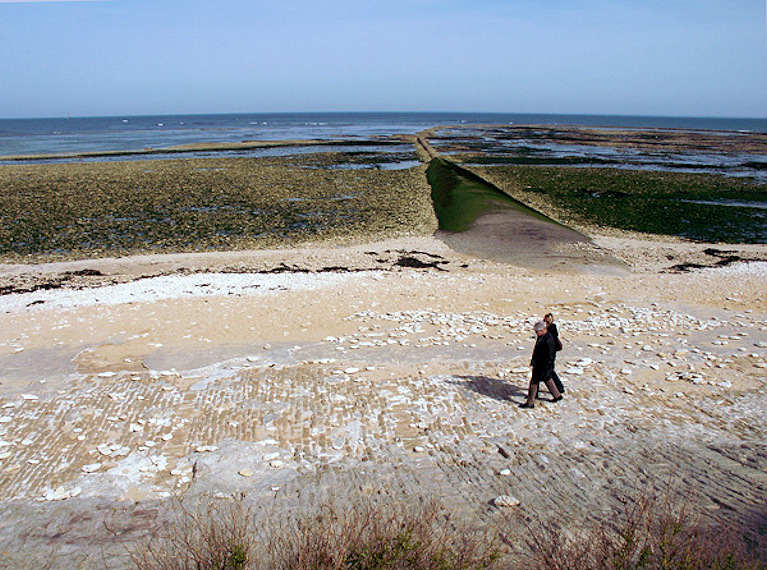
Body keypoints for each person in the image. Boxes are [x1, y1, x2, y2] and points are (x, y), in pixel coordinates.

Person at [519, 320, 562, 409]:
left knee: (534, 382)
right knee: (548, 380)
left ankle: (530, 402)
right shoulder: (544, 337)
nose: (535, 334)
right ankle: (557, 396)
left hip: (543, 365)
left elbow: (550, 356)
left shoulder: (549, 340)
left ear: (542, 330)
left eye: (536, 332)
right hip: (541, 364)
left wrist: (546, 366)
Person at [544, 312, 565, 394]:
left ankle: (559, 388)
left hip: (549, 353)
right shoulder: (551, 329)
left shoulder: (551, 330)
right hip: (549, 352)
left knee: (550, 372)